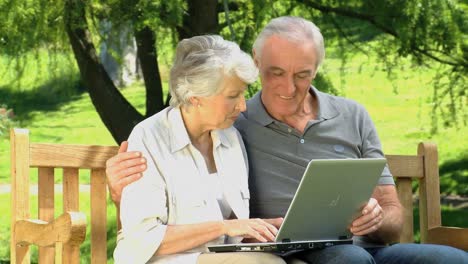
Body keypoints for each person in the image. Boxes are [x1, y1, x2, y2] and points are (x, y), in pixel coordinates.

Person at [107, 17, 468, 263]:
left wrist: (376, 216)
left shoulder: (349, 115)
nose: (286, 88)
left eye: (302, 75)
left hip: (366, 247)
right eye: (274, 73)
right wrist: (119, 187)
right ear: (257, 62)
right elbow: (157, 213)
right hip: (302, 254)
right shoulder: (237, 123)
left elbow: (395, 219)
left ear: (317, 69)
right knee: (349, 259)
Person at [113, 35, 286, 264]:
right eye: (233, 96)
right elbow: (144, 238)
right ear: (196, 98)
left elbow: (230, 230)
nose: (243, 106)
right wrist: (225, 227)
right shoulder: (149, 138)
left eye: (243, 94)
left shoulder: (230, 136)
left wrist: (259, 229)